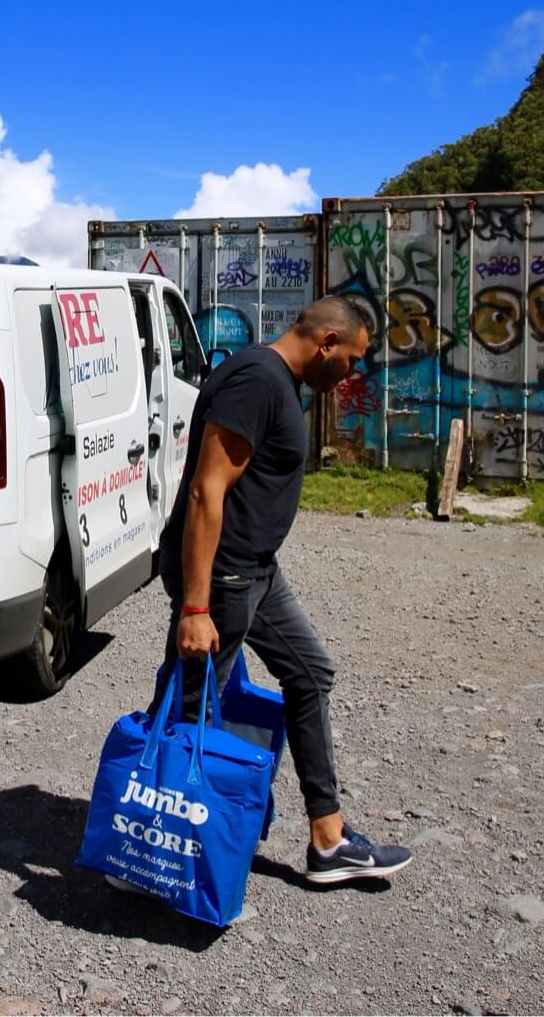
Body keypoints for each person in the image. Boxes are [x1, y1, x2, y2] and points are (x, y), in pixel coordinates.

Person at [150, 296, 412, 886]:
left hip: (256, 572)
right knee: (189, 709)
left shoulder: (279, 381)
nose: (353, 372)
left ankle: (328, 838)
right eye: (352, 359)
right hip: (222, 577)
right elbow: (204, 492)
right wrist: (194, 606)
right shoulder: (257, 381)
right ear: (326, 343)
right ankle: (146, 839)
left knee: (310, 671)